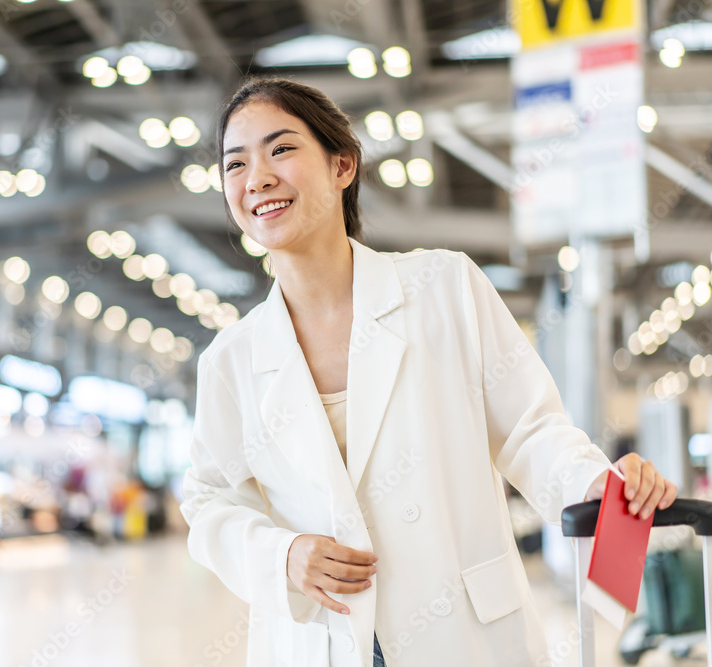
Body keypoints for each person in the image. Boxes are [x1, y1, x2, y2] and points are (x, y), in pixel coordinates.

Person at [179, 77, 678, 667]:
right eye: (235, 164)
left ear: (343, 166)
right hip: (325, 641)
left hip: (463, 631)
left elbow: (530, 429)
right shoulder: (231, 360)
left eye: (281, 149)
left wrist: (592, 482)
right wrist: (280, 555)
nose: (257, 177)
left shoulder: (444, 286)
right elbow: (210, 499)